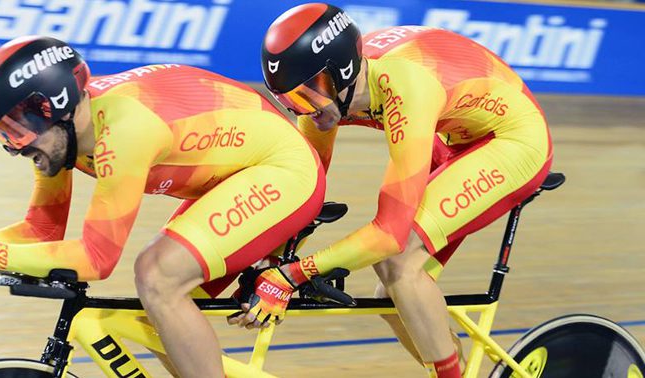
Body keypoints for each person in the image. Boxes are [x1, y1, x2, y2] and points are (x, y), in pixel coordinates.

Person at [0, 35, 326, 377]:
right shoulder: (61, 138)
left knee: (157, 274)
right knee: (158, 312)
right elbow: (40, 232)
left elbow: (96, 258)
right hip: (237, 174)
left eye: (17, 130)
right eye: (3, 134)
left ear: (55, 107)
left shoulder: (123, 132)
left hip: (285, 172)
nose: (15, 148)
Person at [231, 3, 554, 377]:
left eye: (307, 97)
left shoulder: (405, 88)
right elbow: (304, 190)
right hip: (448, 131)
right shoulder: (331, 93)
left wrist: (294, 274)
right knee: (395, 297)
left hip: (512, 140)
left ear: (344, 71)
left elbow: (389, 234)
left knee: (396, 263)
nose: (305, 112)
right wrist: (267, 262)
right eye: (290, 103)